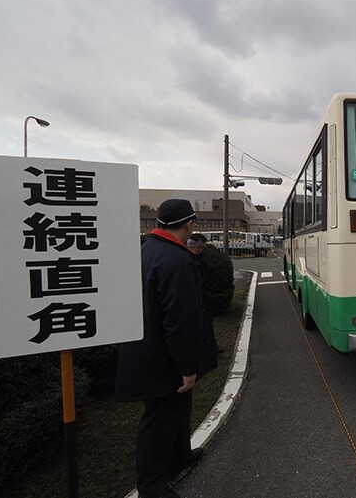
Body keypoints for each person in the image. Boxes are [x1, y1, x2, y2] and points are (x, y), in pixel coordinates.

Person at [116, 199, 203, 498]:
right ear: (189, 224)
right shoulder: (177, 259)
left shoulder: (149, 250)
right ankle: (151, 484)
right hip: (162, 356)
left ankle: (180, 456)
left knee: (178, 409)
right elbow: (179, 321)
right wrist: (187, 368)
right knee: (160, 417)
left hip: (148, 346)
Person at [186, 232, 220, 368]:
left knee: (207, 322)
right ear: (191, 246)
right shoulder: (186, 259)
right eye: (198, 247)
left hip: (204, 294)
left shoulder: (201, 257)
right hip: (194, 296)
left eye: (202, 248)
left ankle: (212, 348)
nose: (200, 250)